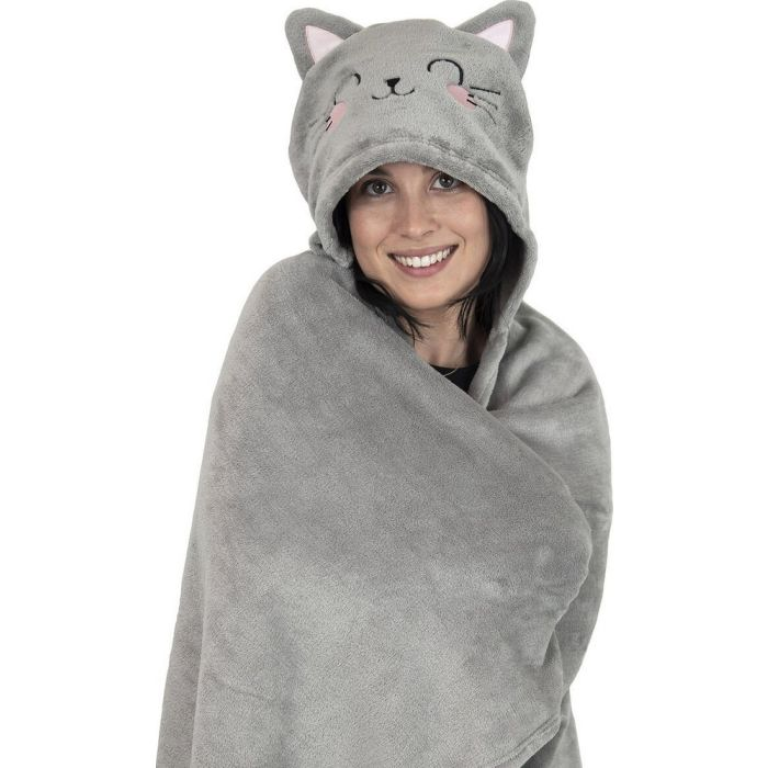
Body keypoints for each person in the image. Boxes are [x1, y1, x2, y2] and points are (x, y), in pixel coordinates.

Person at [156, 3, 613, 767]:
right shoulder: (290, 333)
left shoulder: (552, 380)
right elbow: (246, 608)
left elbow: (548, 632)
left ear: (496, 188)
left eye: (446, 179)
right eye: (376, 186)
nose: (414, 222)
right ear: (339, 204)